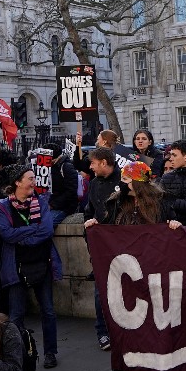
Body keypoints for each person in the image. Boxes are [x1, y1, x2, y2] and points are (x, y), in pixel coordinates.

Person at [103, 161, 181, 371]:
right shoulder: (116, 202)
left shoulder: (162, 204)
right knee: (127, 327)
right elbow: (108, 231)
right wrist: (95, 226)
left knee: (157, 324)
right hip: (126, 273)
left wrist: (175, 226)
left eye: (127, 180)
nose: (123, 184)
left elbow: (171, 233)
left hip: (154, 271)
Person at [0, 166, 63, 370]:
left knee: (48, 311)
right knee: (16, 315)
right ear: (17, 182)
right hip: (16, 267)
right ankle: (19, 353)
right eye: (30, 178)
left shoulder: (41, 202)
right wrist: (33, 229)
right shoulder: (2, 207)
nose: (34, 182)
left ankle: (50, 352)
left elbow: (47, 230)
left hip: (42, 264)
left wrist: (23, 236)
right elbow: (6, 234)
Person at [83, 148, 123, 352]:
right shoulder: (94, 183)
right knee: (100, 291)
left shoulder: (124, 179)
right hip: (100, 246)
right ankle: (103, 332)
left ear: (105, 162)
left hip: (122, 244)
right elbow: (89, 210)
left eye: (93, 162)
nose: (90, 167)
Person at [45, 143, 78, 225]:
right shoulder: (48, 167)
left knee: (47, 224)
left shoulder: (66, 167)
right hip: (50, 205)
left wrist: (53, 205)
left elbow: (71, 192)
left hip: (64, 207)